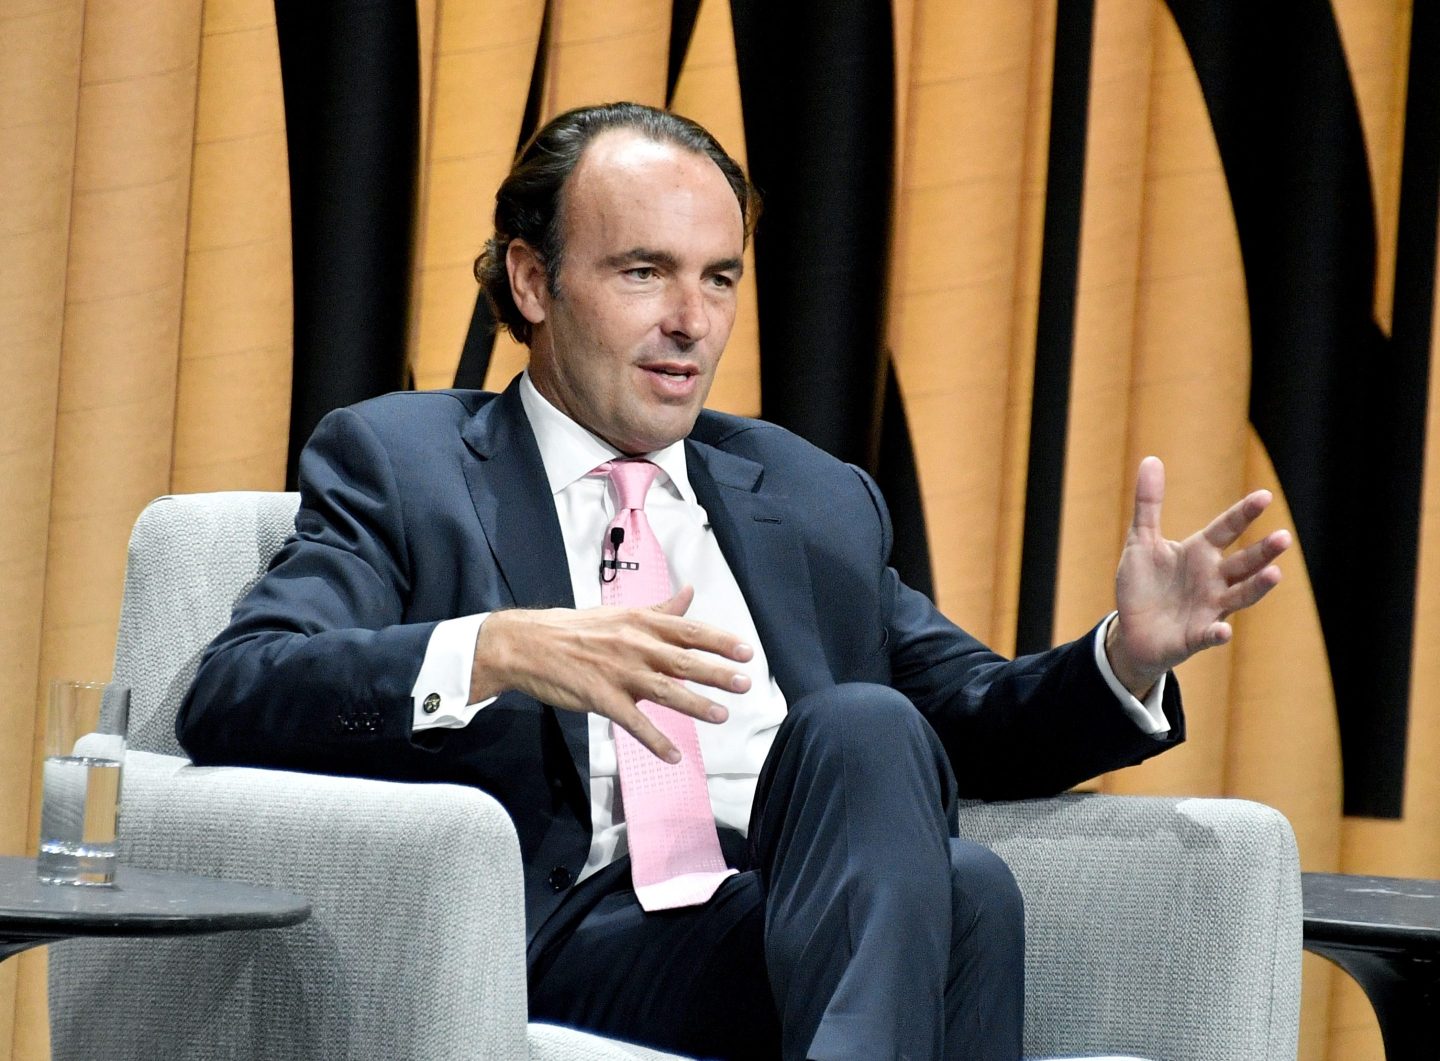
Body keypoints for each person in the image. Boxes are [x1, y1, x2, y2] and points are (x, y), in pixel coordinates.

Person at [178, 102, 1290, 1060]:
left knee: (903, 788)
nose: (691, 322)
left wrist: (1123, 657)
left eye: (719, 278)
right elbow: (240, 686)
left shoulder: (803, 496)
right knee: (962, 893)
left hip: (794, 907)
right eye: (643, 271)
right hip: (578, 926)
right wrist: (499, 647)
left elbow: (971, 717)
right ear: (531, 278)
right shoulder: (407, 464)